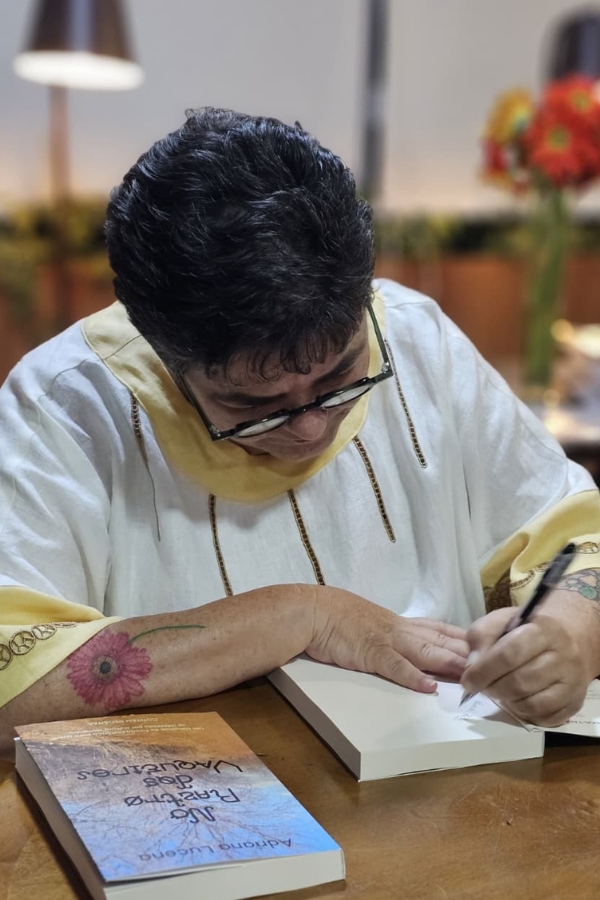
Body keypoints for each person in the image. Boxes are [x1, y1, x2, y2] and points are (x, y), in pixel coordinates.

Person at [1, 108, 600, 758]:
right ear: (161, 352)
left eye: (342, 377)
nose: (311, 426)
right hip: (205, 799)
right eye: (254, 406)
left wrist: (569, 629)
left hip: (459, 785)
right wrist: (296, 616)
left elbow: (576, 539)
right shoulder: (66, 404)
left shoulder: (415, 336)